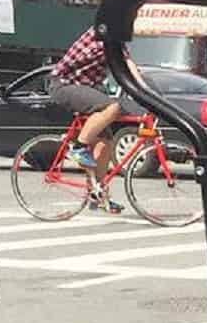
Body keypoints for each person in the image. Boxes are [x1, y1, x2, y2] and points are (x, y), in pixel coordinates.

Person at [47, 25, 150, 213]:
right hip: (65, 85)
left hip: (86, 88)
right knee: (113, 107)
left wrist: (144, 88)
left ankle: (99, 194)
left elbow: (127, 64)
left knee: (105, 143)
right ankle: (78, 147)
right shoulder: (104, 30)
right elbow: (126, 64)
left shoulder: (115, 39)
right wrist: (142, 89)